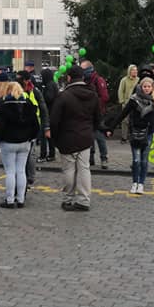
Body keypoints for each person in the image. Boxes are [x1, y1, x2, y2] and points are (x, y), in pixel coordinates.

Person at [104, 76, 154, 195]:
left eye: (149, 86)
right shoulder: (134, 100)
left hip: (148, 134)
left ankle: (141, 183)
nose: (147, 88)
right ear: (141, 87)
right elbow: (122, 114)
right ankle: (134, 183)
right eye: (145, 86)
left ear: (152, 88)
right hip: (135, 133)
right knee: (136, 160)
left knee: (144, 160)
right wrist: (111, 128)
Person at [51, 65, 102, 211]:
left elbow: (54, 120)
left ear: (69, 78)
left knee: (69, 170)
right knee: (84, 169)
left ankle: (68, 199)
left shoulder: (64, 96)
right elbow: (98, 118)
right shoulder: (92, 95)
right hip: (85, 137)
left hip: (67, 137)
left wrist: (55, 138)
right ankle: (84, 200)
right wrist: (92, 130)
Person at [0, 81, 39, 208]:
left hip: (8, 142)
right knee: (21, 171)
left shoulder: (3, 106)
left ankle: (10, 199)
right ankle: (21, 199)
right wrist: (32, 137)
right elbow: (36, 125)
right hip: (25, 142)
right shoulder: (28, 104)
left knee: (10, 172)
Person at [16, 69, 49, 186]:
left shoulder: (35, 91)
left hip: (33, 127)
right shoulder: (19, 91)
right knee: (26, 153)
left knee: (30, 153)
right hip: (21, 127)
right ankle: (26, 177)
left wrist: (46, 127)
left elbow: (43, 109)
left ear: (26, 80)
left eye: (19, 79)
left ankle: (30, 177)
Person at [80, 60, 109, 169]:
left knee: (99, 135)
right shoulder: (84, 81)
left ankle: (104, 158)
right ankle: (90, 158)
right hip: (87, 112)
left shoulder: (98, 80)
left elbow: (105, 97)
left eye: (83, 69)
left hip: (98, 112)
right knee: (89, 136)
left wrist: (94, 104)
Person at [116, 65, 139, 144]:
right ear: (130, 71)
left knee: (135, 120)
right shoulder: (124, 80)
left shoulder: (139, 80)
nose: (135, 72)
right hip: (126, 103)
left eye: (136, 70)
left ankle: (135, 136)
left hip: (137, 103)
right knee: (125, 121)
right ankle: (124, 137)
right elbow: (120, 91)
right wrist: (122, 101)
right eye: (133, 70)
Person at [40, 68, 59, 161]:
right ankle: (51, 154)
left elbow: (49, 98)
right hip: (52, 111)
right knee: (49, 135)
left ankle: (44, 154)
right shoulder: (52, 84)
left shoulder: (49, 86)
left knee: (44, 134)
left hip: (48, 112)